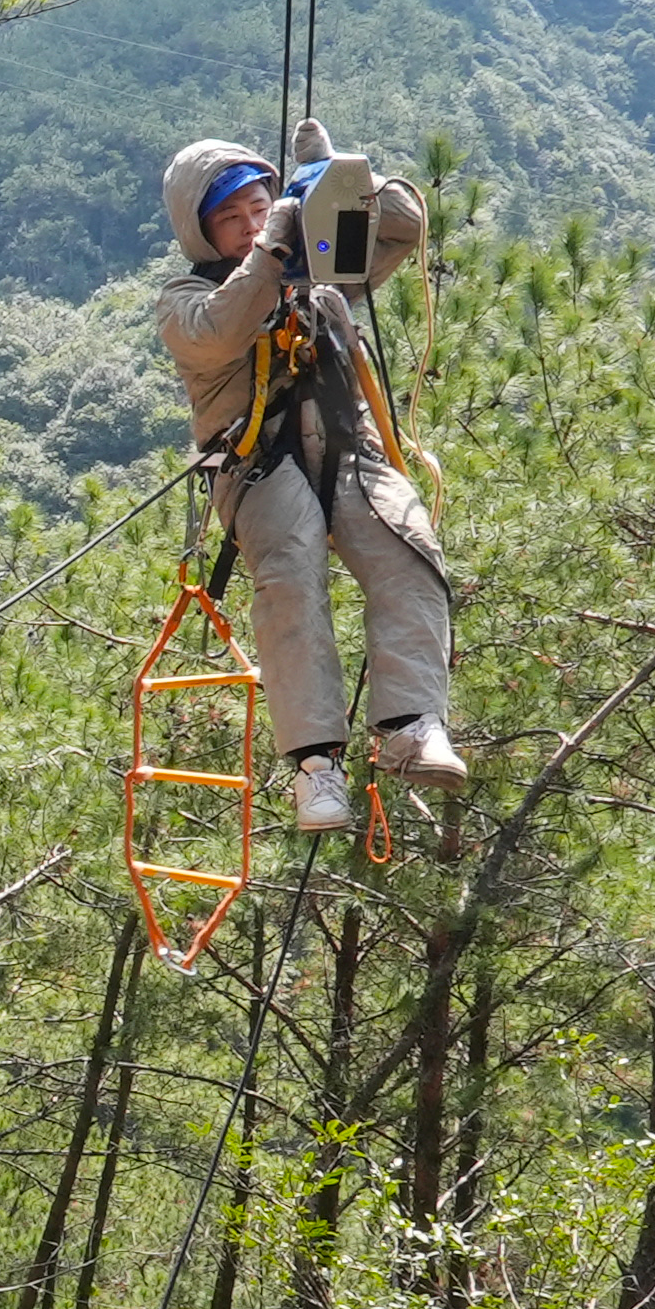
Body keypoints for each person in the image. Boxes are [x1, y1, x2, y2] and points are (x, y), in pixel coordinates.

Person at [155, 122, 465, 833]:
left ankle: (412, 726)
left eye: (259, 207)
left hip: (350, 451)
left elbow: (402, 226)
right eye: (230, 219)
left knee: (409, 547)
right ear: (202, 234)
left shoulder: (320, 278)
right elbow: (222, 332)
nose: (249, 225)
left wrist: (340, 181)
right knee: (291, 577)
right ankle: (316, 766)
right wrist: (270, 253)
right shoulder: (185, 298)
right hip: (259, 464)